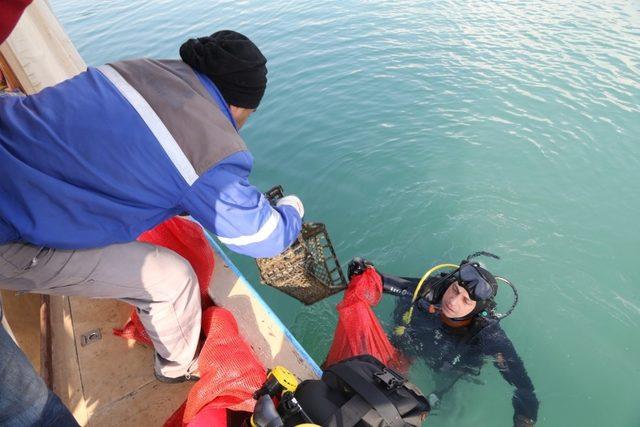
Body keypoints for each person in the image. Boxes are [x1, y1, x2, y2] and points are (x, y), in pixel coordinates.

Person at [0, 30, 304, 383]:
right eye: (247, 115)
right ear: (239, 106)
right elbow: (264, 239)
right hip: (9, 228)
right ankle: (176, 369)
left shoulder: (137, 69)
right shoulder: (209, 149)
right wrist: (291, 206)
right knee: (172, 281)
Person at [348, 257, 539, 427]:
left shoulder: (488, 335)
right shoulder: (431, 290)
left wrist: (524, 421)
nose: (453, 301)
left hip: (451, 365)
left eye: (465, 301)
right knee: (377, 387)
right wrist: (363, 272)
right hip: (410, 345)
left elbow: (525, 391)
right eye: (455, 290)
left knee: (444, 407)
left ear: (477, 310)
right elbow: (383, 282)